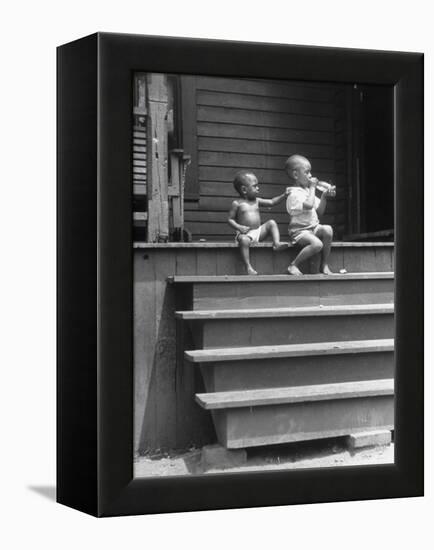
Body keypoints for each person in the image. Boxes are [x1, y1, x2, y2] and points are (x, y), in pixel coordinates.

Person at [228, 170, 289, 275]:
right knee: (243, 240)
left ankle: (276, 243)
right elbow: (230, 219)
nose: (258, 188)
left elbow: (272, 202)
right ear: (244, 189)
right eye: (255, 186)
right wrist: (239, 227)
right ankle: (248, 267)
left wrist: (284, 195)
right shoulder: (237, 203)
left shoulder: (257, 200)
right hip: (245, 234)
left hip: (258, 232)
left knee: (271, 223)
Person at [285, 154, 335, 275]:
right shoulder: (294, 193)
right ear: (296, 175)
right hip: (300, 231)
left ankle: (324, 264)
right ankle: (293, 265)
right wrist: (313, 188)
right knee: (317, 244)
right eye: (307, 172)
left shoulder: (308, 191)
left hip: (313, 228)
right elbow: (308, 205)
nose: (311, 176)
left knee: (328, 229)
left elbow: (319, 212)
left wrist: (324, 196)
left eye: (310, 172)